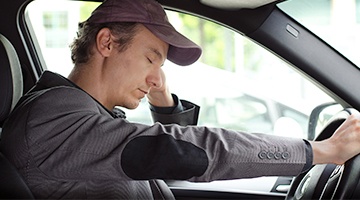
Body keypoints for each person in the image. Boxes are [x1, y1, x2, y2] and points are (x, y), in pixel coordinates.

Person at [1, 0, 360, 199]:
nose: (158, 75)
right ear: (107, 43)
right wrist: (319, 152)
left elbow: (155, 161)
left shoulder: (87, 115)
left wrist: (160, 96)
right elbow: (177, 151)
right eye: (151, 57)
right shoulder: (50, 120)